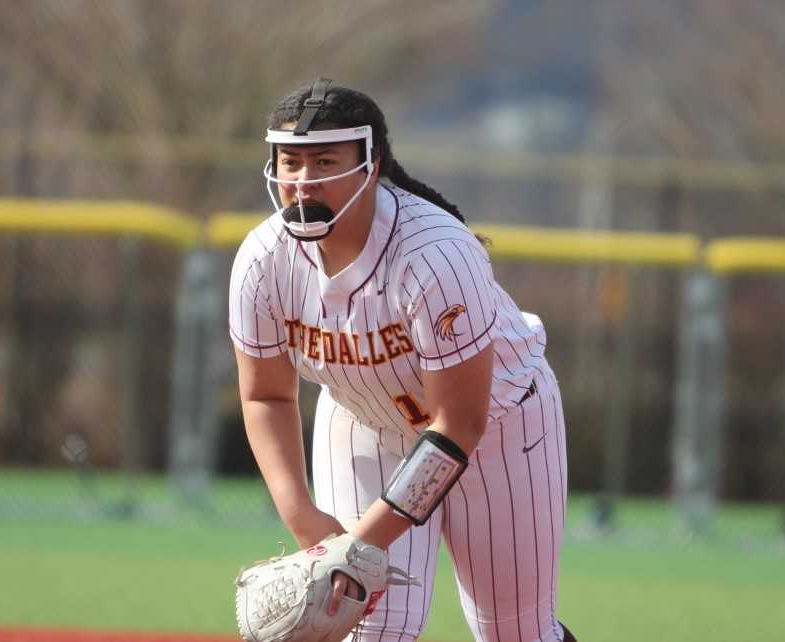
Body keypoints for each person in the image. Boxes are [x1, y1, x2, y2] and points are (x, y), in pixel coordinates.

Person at [229, 78, 576, 642]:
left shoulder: (435, 254)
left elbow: (459, 424)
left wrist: (359, 545)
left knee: (516, 634)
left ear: (372, 162)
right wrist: (307, 523)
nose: (302, 180)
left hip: (499, 428)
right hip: (366, 423)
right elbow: (265, 395)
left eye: (324, 160)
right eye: (289, 161)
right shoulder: (264, 260)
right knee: (370, 630)